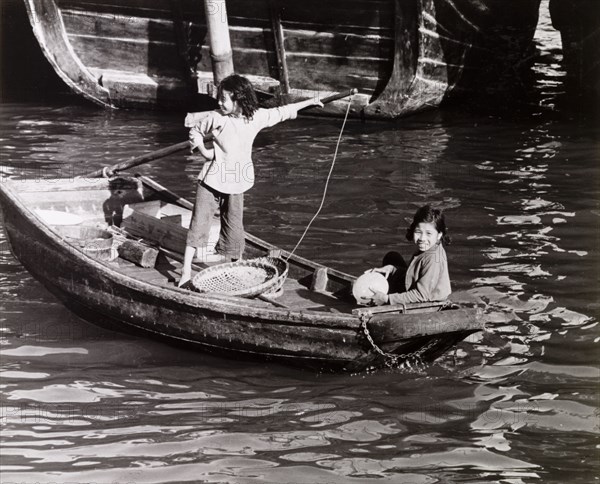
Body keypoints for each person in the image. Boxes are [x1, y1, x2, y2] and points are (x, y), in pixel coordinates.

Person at [178, 74, 323, 286]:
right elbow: (196, 131)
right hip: (212, 179)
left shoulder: (255, 118)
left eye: (224, 98)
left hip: (236, 180)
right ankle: (185, 271)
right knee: (199, 224)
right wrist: (204, 151)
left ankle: (235, 269)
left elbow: (282, 112)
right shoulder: (217, 117)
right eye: (219, 97)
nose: (219, 102)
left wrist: (310, 102)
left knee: (235, 226)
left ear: (239, 99)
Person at [368, 205, 452, 305]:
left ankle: (385, 297)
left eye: (428, 233)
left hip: (427, 302)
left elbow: (421, 295)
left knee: (389, 291)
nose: (422, 238)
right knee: (392, 257)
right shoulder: (430, 246)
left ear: (439, 235)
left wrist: (386, 298)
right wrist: (392, 269)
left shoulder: (433, 258)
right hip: (422, 290)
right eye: (418, 232)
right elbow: (416, 272)